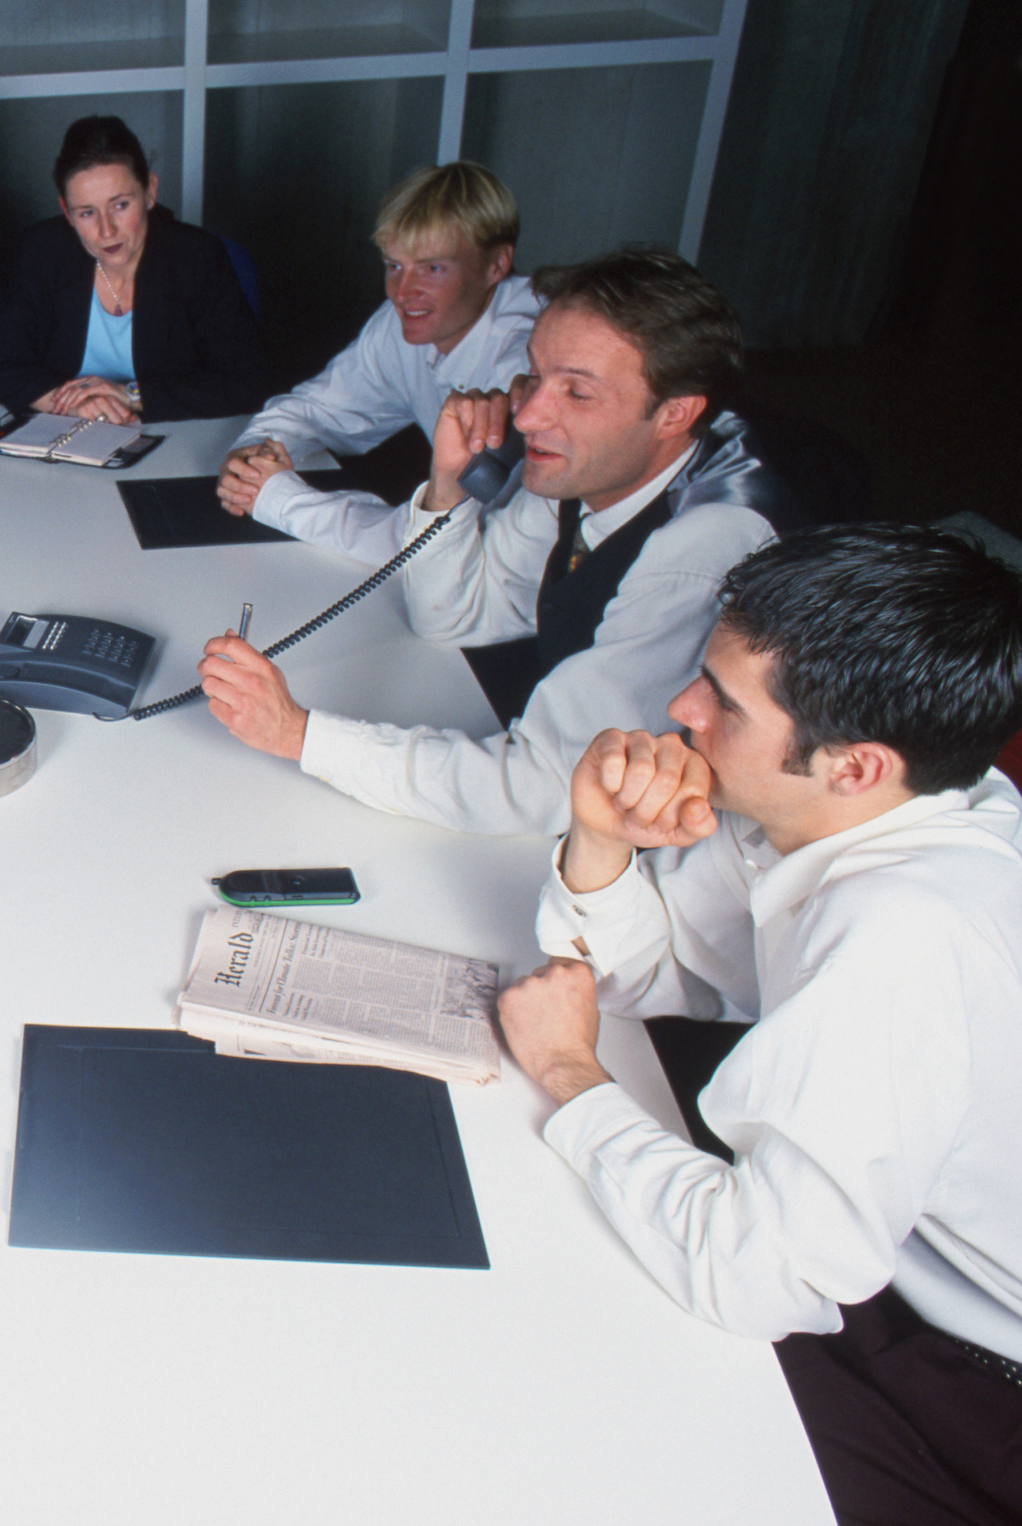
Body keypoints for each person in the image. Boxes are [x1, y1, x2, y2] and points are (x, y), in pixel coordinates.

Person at [495, 526, 1022, 1526]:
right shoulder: (901, 802)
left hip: (974, 1376)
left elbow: (756, 1275)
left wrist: (569, 1073)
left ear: (857, 764)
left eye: (723, 704)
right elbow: (651, 974)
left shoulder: (904, 938)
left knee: (594, 1426)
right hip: (884, 1271)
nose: (680, 710)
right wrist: (602, 834)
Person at [198, 247, 786, 838]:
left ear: (675, 414)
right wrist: (449, 486)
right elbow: (451, 617)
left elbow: (547, 787)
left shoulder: (700, 550)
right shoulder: (587, 467)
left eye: (577, 393)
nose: (527, 414)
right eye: (532, 375)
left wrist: (297, 734)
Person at [214, 161, 542, 563]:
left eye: (433, 268)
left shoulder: (528, 364)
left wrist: (279, 498)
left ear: (497, 265)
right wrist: (250, 460)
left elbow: (447, 546)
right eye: (394, 266)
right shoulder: (405, 323)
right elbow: (318, 409)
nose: (403, 292)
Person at [0, 115, 266, 424]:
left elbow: (247, 382)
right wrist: (75, 405)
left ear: (150, 191)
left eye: (121, 205)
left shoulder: (196, 256)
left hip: (169, 440)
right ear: (66, 211)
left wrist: (131, 395)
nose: (106, 230)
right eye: (86, 213)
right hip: (67, 438)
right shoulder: (43, 250)